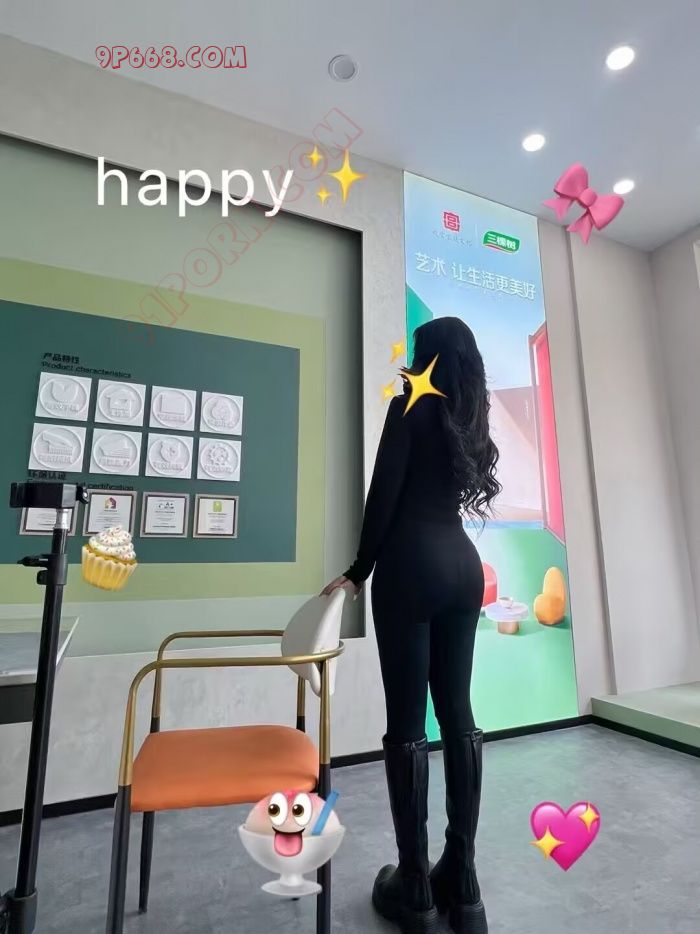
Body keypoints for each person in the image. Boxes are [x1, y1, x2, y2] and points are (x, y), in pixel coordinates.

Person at [323, 317, 500, 934]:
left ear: (427, 357)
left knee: (407, 723)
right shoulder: (470, 415)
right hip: (463, 569)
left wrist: (357, 571)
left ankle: (417, 888)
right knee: (458, 714)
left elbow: (383, 495)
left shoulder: (410, 406)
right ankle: (465, 885)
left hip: (410, 569)